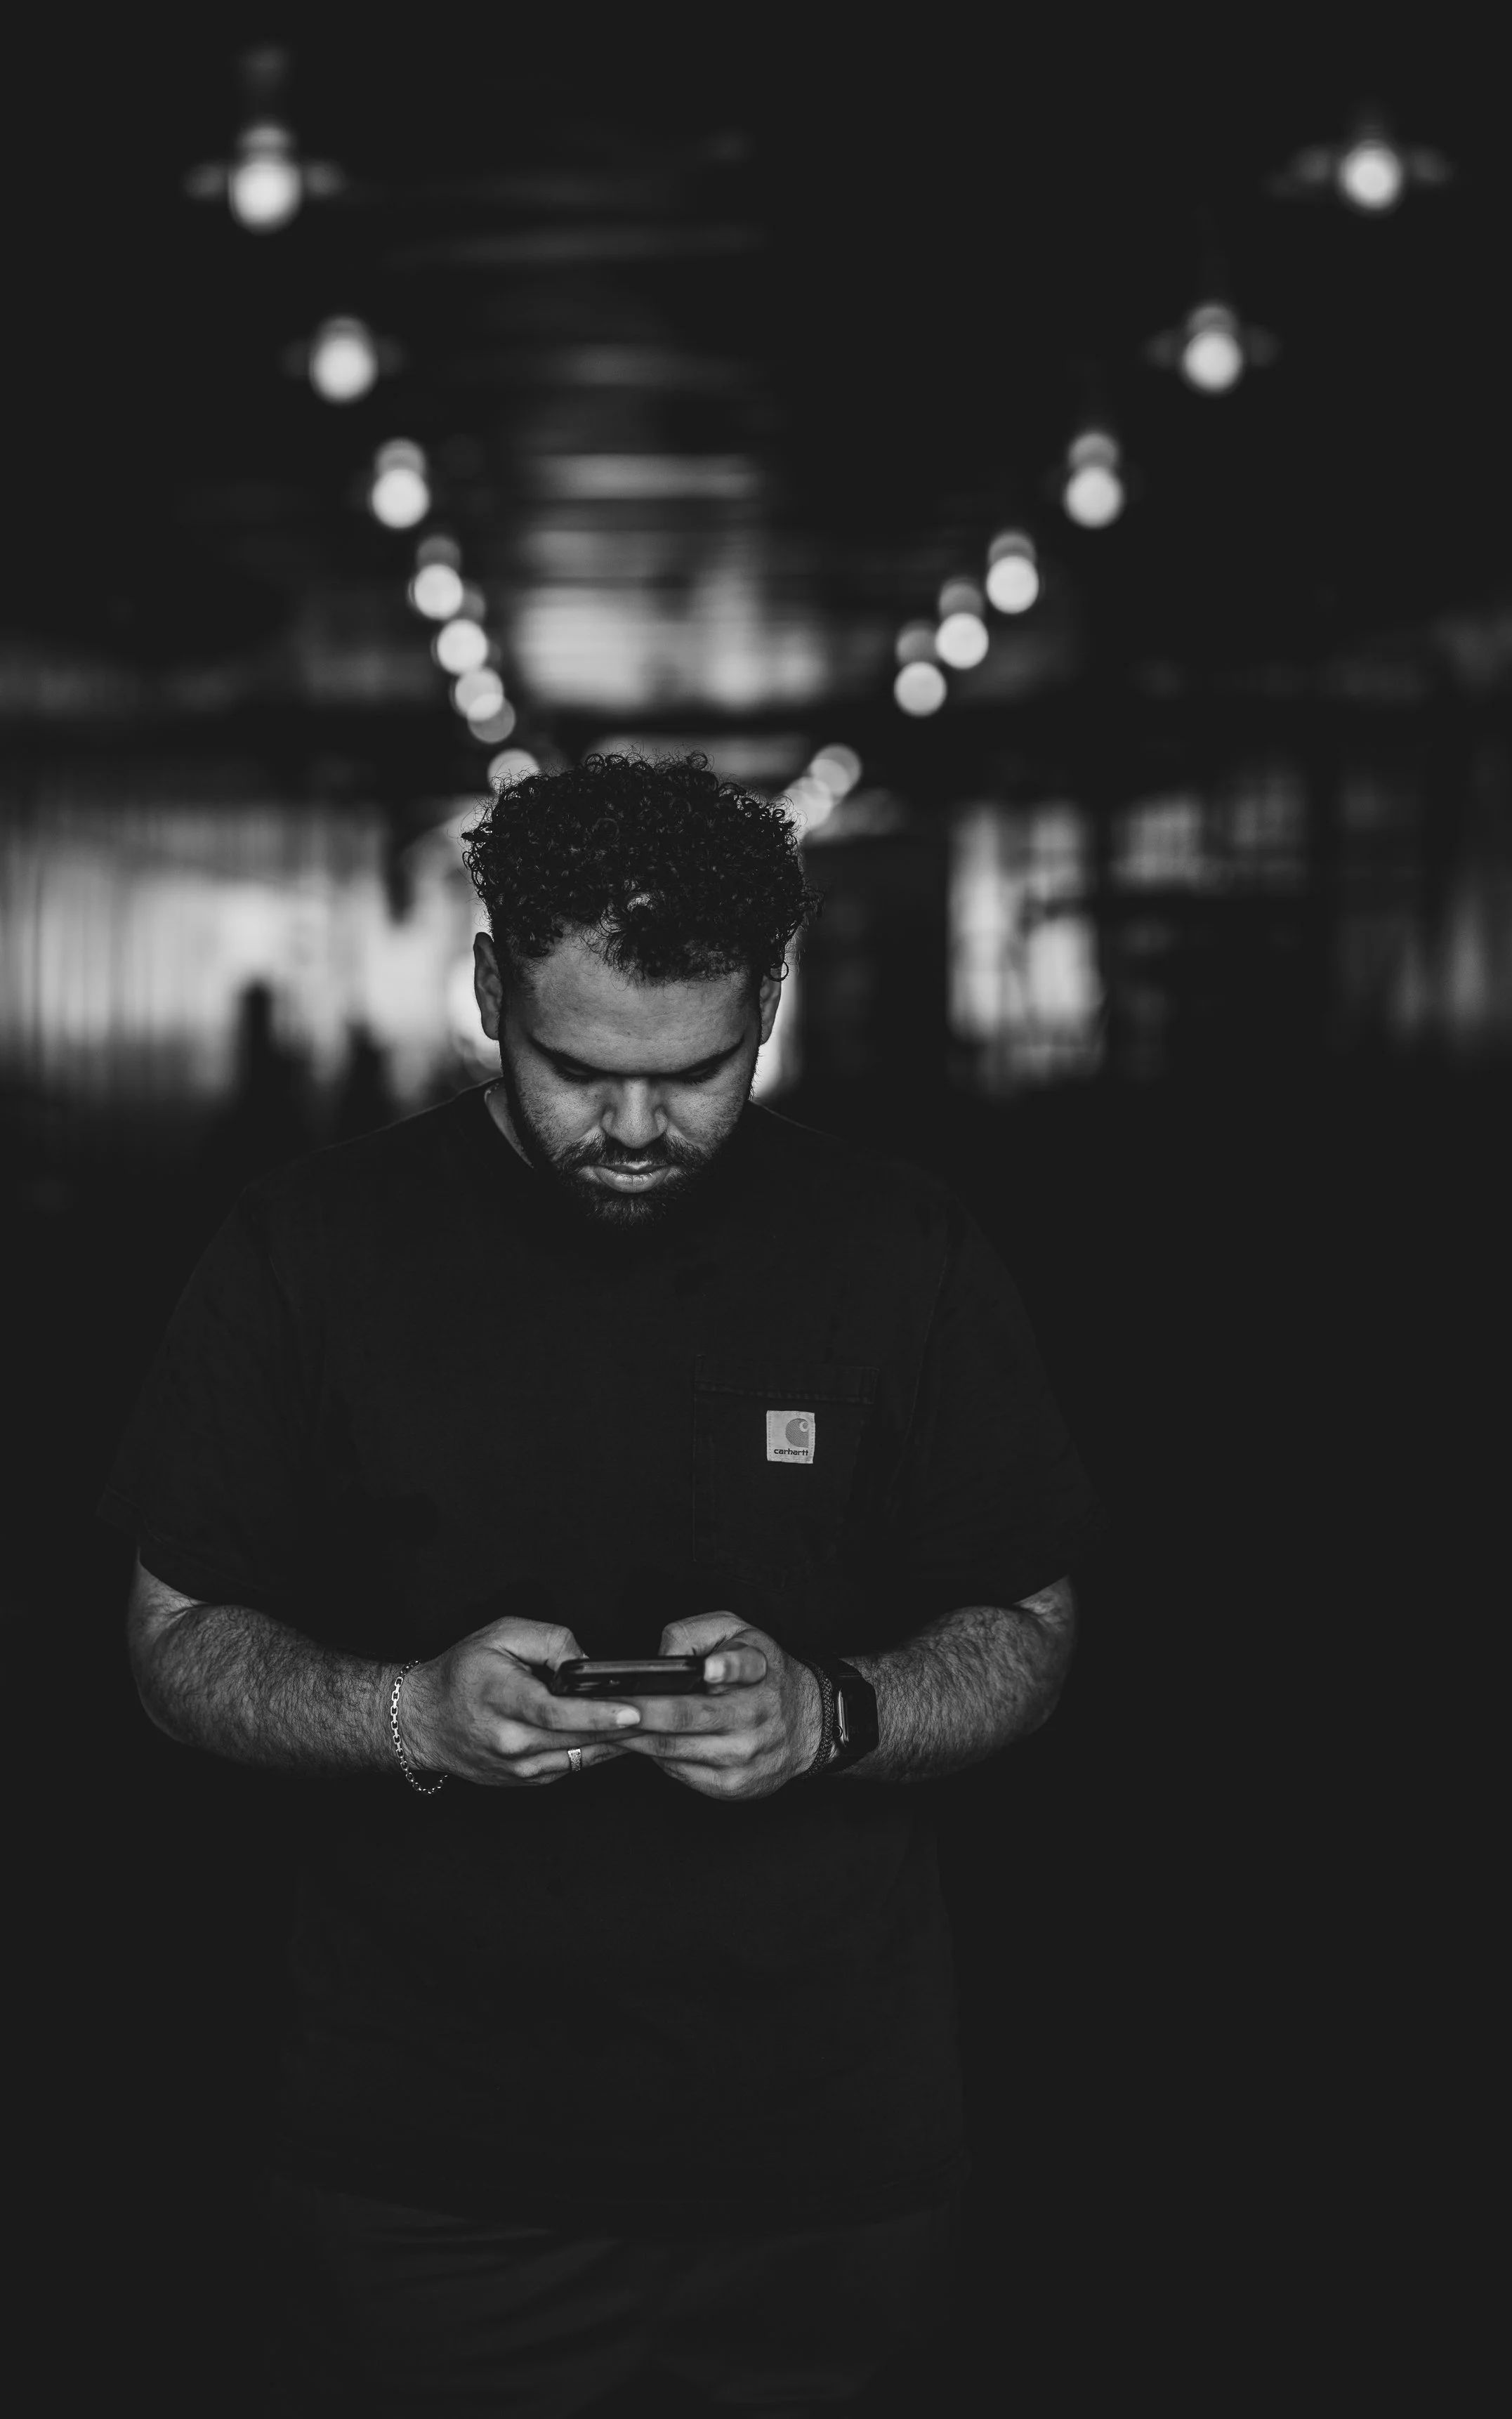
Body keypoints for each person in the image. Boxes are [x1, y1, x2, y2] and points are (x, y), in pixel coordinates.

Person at [105, 752, 1108, 2415]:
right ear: (491, 986)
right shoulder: (308, 1246)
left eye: (695, 1074)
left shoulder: (899, 1250)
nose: (635, 1127)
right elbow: (170, 1642)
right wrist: (406, 1711)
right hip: (424, 2162)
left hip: (827, 2162)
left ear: (770, 1002)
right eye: (578, 1072)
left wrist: (830, 1715)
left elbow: (1030, 1629)